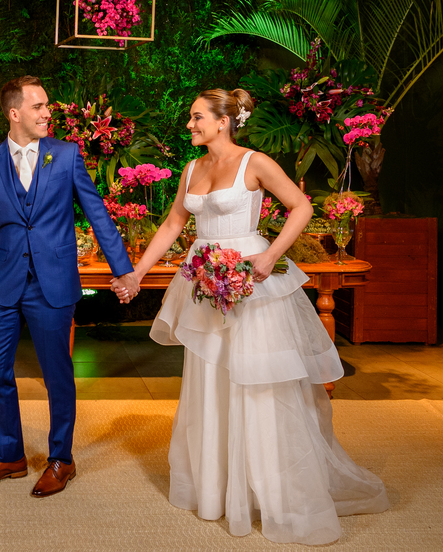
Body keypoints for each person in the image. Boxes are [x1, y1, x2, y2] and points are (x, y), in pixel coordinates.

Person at [115, 88, 389, 544]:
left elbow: (302, 207)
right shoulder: (192, 169)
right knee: (211, 381)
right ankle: (219, 488)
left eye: (197, 117)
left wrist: (270, 256)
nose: (190, 125)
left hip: (251, 281)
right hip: (205, 282)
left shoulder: (254, 162)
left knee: (257, 384)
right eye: (191, 118)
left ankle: (277, 493)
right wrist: (137, 273)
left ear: (223, 121)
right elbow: (173, 224)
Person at [0, 76, 138, 498]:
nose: (46, 113)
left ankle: (62, 459)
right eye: (38, 106)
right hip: (3, 285)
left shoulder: (67, 154)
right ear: (14, 113)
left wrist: (124, 270)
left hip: (53, 284)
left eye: (46, 105)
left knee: (57, 374)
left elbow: (97, 214)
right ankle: (10, 455)